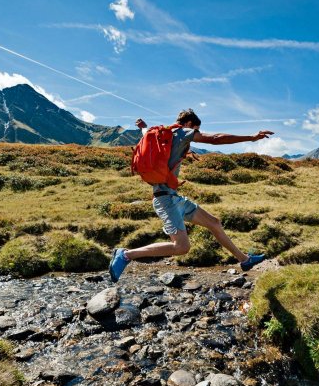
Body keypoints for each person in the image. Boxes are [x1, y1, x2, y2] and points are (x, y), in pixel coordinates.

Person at [109, 109, 274, 283]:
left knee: (214, 223)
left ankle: (245, 260)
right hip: (166, 200)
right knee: (181, 247)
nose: (197, 134)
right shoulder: (183, 132)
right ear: (189, 124)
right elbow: (215, 138)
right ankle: (126, 254)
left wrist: (143, 126)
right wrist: (251, 138)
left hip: (174, 198)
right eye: (196, 129)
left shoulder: (159, 134)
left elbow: (145, 132)